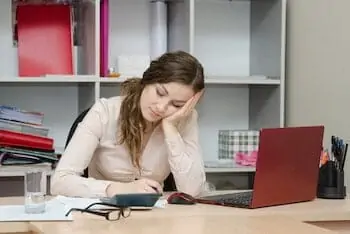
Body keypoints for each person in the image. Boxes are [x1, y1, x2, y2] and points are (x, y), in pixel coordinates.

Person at [50, 50, 206, 198]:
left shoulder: (185, 119)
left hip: (155, 218)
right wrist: (115, 188)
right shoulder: (105, 112)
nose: (161, 107)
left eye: (177, 105)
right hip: (102, 216)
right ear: (147, 80)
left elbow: (192, 191)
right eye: (160, 93)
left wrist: (171, 129)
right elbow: (60, 182)